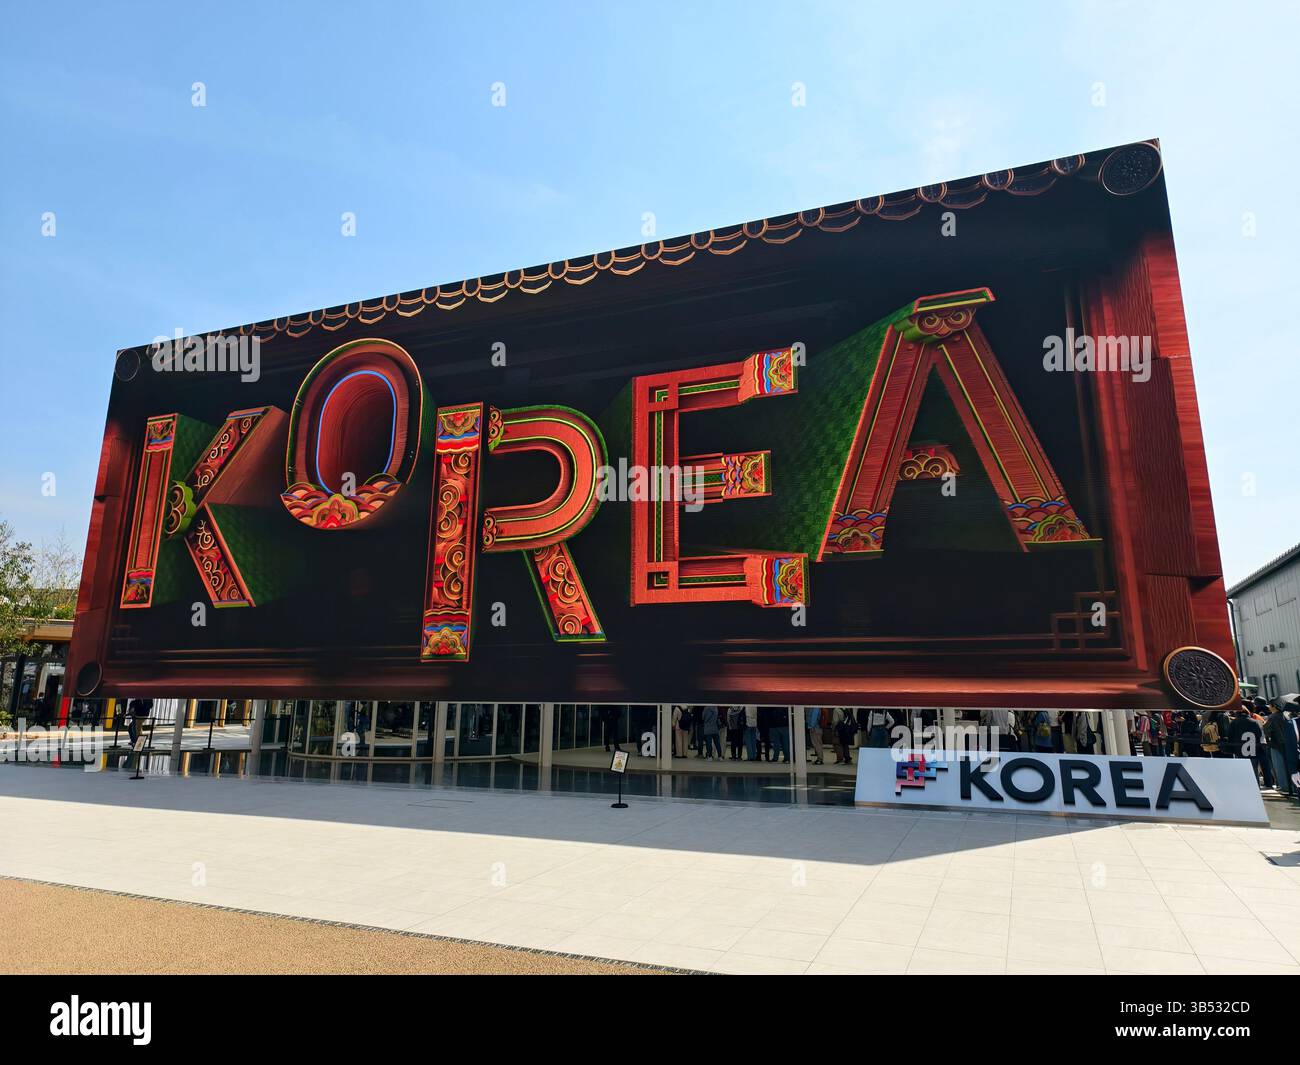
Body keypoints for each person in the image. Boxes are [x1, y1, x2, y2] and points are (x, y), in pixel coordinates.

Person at [1264, 702, 1299, 798]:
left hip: (1276, 744)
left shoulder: (1271, 717)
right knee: (1289, 766)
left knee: (1279, 766)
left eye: (1270, 706)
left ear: (1274, 706)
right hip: (1290, 744)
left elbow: (1266, 731)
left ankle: (1285, 787)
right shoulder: (1285, 716)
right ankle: (1292, 787)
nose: (1269, 708)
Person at [1228, 707, 1266, 787]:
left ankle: (1245, 787)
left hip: (1239, 750)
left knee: (1242, 772)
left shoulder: (1234, 722)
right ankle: (1256, 788)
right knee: (1254, 770)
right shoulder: (1255, 722)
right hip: (1253, 750)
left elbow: (1230, 737)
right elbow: (1259, 735)